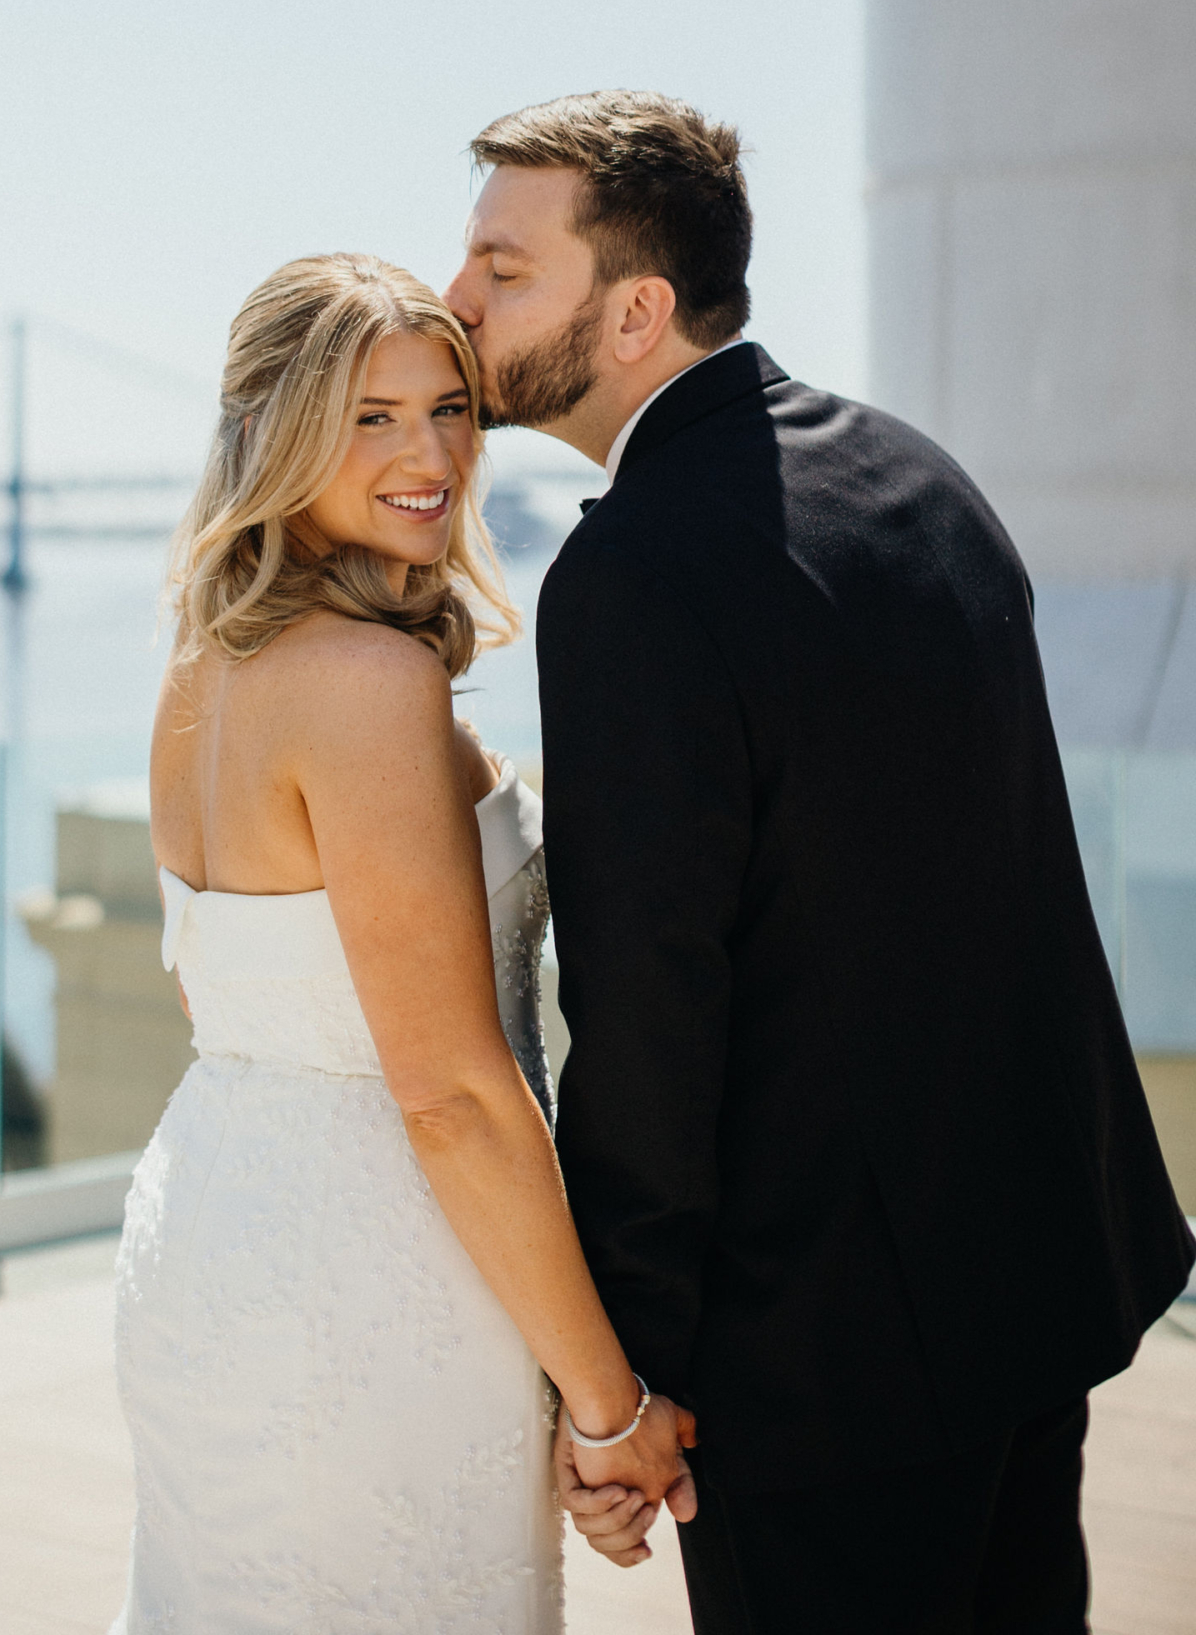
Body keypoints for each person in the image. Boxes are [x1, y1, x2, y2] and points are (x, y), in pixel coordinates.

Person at [445, 88, 1194, 1635]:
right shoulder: (917, 475)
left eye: (505, 268)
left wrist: (624, 1384)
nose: (458, 302)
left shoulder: (634, 573)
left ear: (635, 308)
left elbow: (652, 1003)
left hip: (823, 1361)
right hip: (1032, 1275)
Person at [110, 252, 694, 1634]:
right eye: (371, 416)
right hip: (367, 1277)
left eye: (448, 410)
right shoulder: (370, 682)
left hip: (211, 1234)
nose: (429, 453)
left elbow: (233, 989)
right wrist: (609, 1410)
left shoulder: (206, 666)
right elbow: (451, 1094)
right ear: (273, 429)